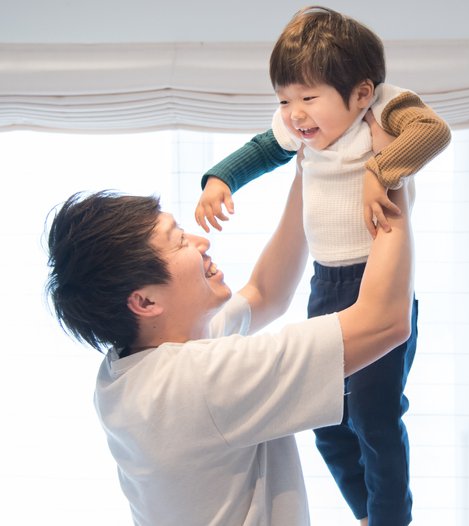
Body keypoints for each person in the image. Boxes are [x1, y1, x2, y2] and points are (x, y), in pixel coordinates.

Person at [44, 160, 415, 525]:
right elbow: (385, 321)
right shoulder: (200, 381)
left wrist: (308, 170)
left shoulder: (126, 370)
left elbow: (265, 293)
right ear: (145, 301)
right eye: (179, 242)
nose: (201, 241)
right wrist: (391, 177)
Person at [192, 6, 451, 526]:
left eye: (309, 98)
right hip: (326, 283)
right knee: (328, 421)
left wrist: (382, 168)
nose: (295, 114)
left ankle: (390, 519)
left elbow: (434, 132)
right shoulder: (301, 135)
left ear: (359, 93)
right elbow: (264, 149)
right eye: (285, 99)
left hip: (376, 278)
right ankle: (366, 512)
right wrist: (220, 179)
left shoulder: (385, 107)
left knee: (375, 417)